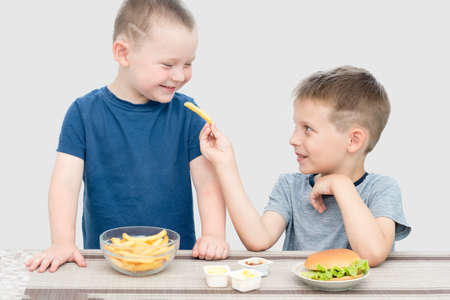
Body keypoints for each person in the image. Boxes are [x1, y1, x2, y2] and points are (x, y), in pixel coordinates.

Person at [26, 0, 229, 273]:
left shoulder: (188, 114)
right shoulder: (83, 113)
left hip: (176, 262)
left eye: (188, 63)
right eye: (168, 64)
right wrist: (62, 241)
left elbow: (207, 184)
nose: (180, 75)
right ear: (123, 54)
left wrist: (214, 234)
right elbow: (65, 184)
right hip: (105, 262)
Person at [199, 66, 411, 267]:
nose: (293, 139)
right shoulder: (290, 187)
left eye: (308, 129)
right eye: (296, 127)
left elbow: (373, 254)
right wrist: (225, 164)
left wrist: (341, 186)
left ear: (353, 141)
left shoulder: (382, 189)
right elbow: (257, 239)